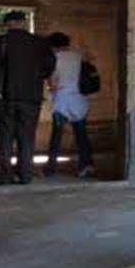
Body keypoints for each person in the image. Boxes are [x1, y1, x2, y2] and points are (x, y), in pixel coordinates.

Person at [0, 11, 55, 185]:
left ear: (7, 24)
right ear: (23, 22)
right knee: (27, 136)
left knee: (5, 137)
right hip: (31, 98)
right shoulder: (39, 43)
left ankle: (4, 176)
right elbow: (49, 66)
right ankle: (25, 175)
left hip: (6, 98)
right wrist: (36, 78)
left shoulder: (1, 42)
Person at [44, 32, 94, 178]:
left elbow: (53, 83)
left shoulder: (54, 59)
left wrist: (50, 87)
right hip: (79, 100)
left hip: (61, 100)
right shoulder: (78, 56)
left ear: (52, 46)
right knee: (81, 134)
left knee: (57, 135)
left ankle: (51, 167)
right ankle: (86, 165)